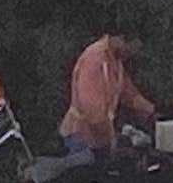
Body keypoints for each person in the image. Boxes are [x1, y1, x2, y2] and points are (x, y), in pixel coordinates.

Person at [61, 29, 159, 160]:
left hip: (99, 136)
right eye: (132, 48)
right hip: (82, 136)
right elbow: (92, 109)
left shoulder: (115, 60)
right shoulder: (95, 59)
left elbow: (128, 94)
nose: (132, 54)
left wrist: (152, 112)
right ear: (122, 39)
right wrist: (110, 141)